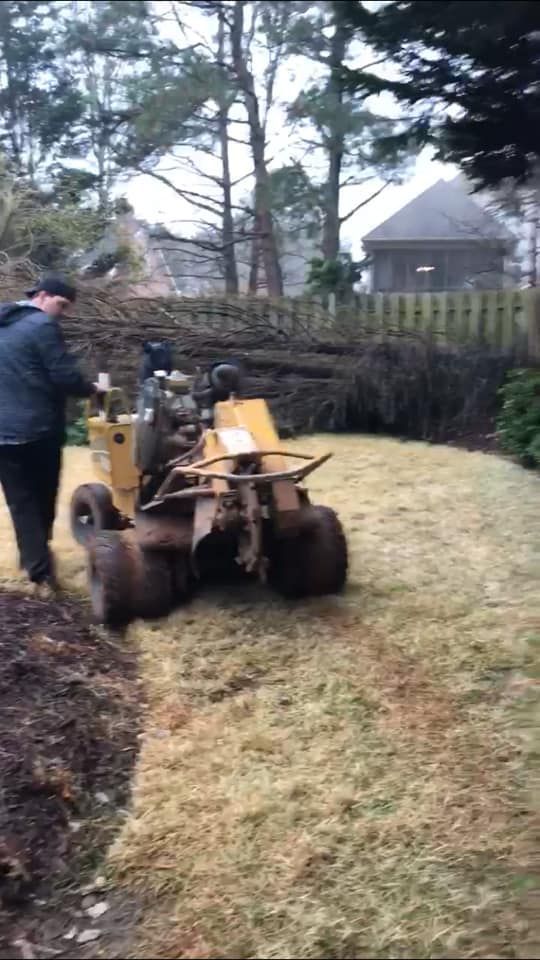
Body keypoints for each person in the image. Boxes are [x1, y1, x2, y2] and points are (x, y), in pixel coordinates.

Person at [0, 275, 98, 596]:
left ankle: (34, 563)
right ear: (42, 296)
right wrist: (93, 389)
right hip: (37, 431)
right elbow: (64, 375)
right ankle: (41, 574)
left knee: (21, 502)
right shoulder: (42, 325)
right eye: (62, 305)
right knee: (42, 499)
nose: (63, 313)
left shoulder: (5, 321)